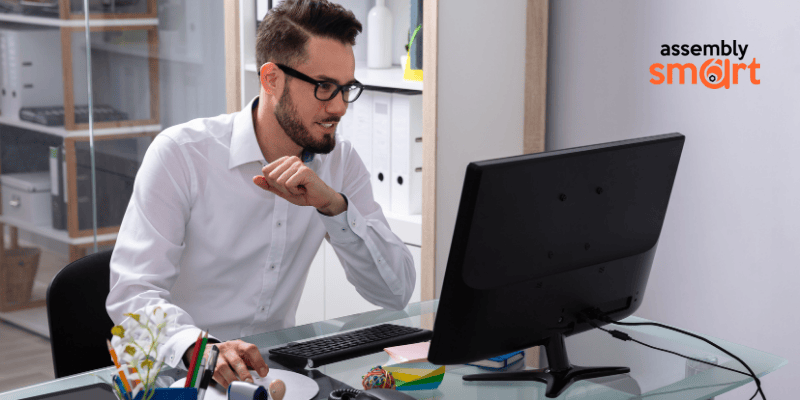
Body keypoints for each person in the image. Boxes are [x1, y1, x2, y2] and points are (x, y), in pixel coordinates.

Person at [106, 0, 415, 389]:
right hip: (176, 377)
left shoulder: (340, 162)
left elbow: (395, 292)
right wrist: (201, 348)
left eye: (346, 88)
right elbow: (132, 293)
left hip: (276, 378)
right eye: (323, 87)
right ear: (272, 79)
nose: (339, 107)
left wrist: (334, 208)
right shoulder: (182, 154)